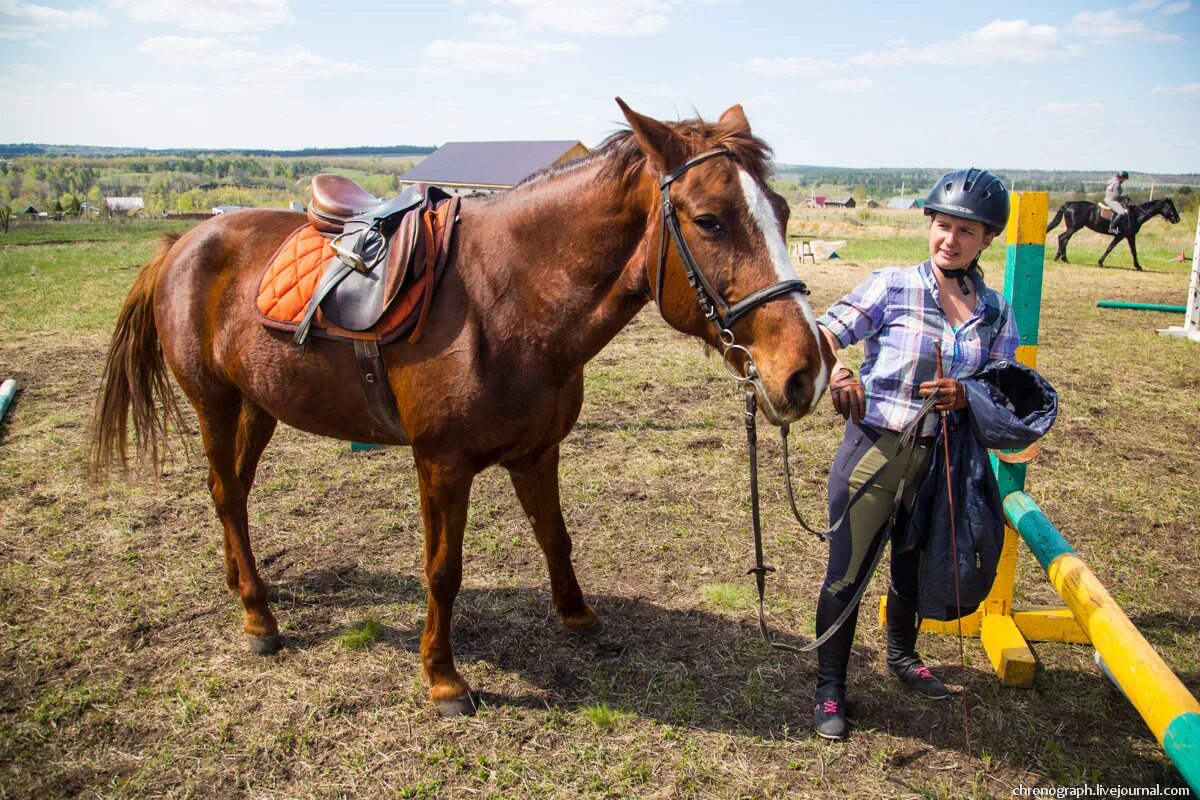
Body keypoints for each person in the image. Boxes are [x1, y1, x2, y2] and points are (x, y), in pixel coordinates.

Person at [810, 168, 1020, 740]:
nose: (950, 239)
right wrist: (841, 372)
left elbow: (1005, 386)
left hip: (943, 461)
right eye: (943, 226)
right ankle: (830, 686)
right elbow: (823, 333)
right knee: (847, 573)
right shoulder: (892, 285)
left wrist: (968, 395)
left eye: (966, 231)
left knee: (914, 567)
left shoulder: (996, 313)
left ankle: (902, 656)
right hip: (876, 451)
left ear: (987, 239)